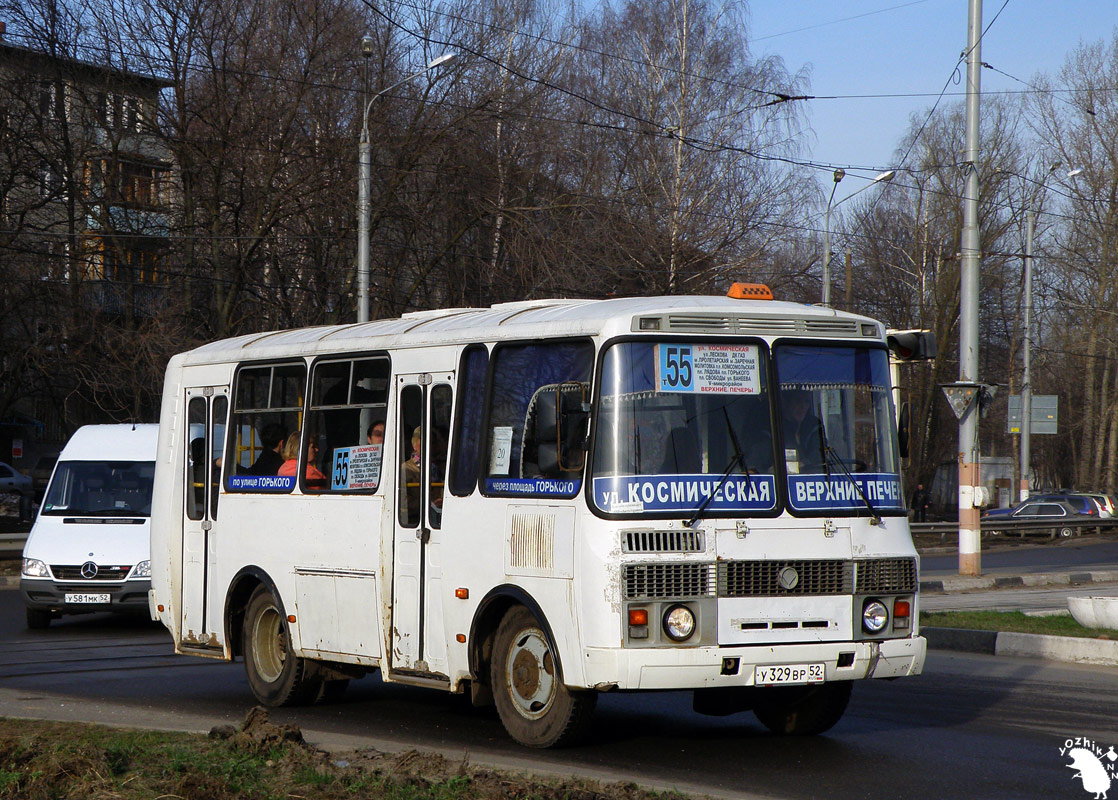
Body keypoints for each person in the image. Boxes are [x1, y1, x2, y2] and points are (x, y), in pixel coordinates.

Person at [782, 389, 823, 474]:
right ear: (786, 403)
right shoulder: (775, 428)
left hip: (813, 478)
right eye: (798, 401)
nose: (803, 406)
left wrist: (805, 463)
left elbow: (820, 452)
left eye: (806, 402)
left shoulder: (814, 425)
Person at [401, 426, 422, 525]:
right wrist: (430, 504)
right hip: (413, 522)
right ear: (414, 444)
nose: (431, 445)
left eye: (434, 441)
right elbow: (402, 500)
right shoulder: (405, 469)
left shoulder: (445, 467)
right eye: (423, 441)